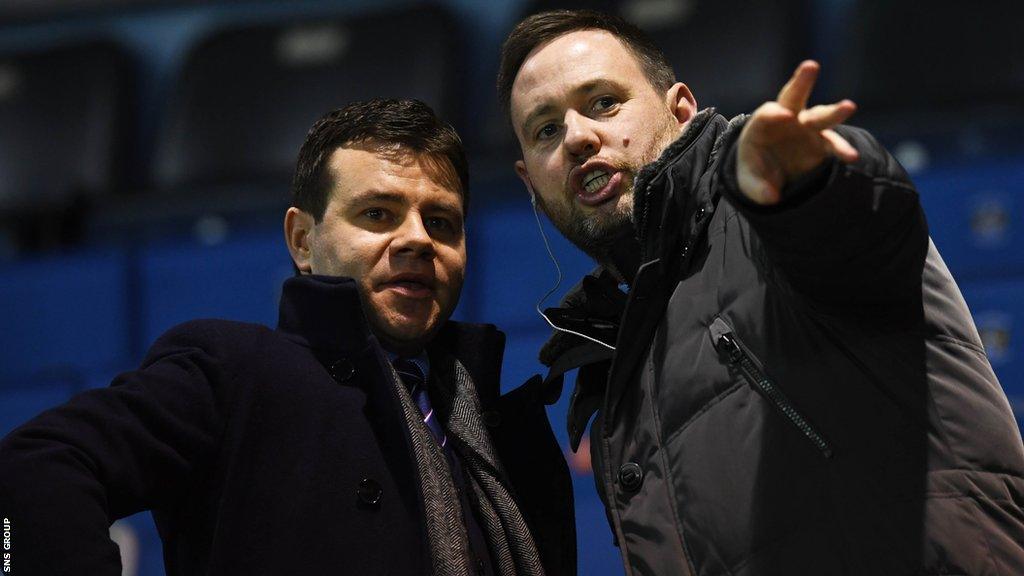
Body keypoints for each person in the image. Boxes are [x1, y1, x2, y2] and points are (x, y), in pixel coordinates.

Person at [497, 9, 1024, 575]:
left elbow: (854, 222)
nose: (577, 137)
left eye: (604, 103)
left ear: (681, 109)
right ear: (530, 179)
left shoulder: (764, 217)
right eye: (547, 129)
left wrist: (798, 185)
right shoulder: (606, 371)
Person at [0, 99, 574, 576]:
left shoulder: (503, 423)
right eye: (378, 214)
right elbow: (31, 469)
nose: (417, 240)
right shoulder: (235, 371)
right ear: (302, 240)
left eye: (442, 222)